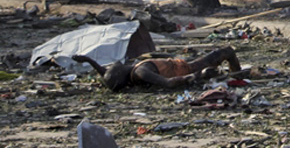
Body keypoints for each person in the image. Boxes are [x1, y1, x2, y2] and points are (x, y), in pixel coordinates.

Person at [72, 47, 241, 92]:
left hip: (182, 64)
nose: (112, 65)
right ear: (120, 72)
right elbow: (168, 83)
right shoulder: (141, 71)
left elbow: (105, 73)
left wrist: (88, 60)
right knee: (227, 51)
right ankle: (237, 76)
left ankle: (236, 75)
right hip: (189, 68)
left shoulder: (134, 71)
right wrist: (198, 75)